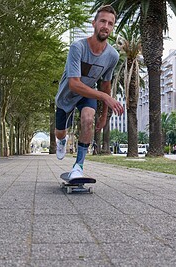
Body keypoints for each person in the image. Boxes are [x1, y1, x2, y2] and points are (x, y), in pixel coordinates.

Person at [55, 5, 124, 180]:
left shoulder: (112, 56)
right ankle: (61, 141)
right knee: (60, 132)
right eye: (102, 21)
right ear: (94, 23)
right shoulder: (77, 48)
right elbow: (74, 84)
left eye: (110, 23)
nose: (106, 26)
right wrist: (104, 97)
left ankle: (78, 166)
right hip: (67, 96)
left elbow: (105, 85)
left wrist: (103, 115)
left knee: (87, 119)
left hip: (87, 95)